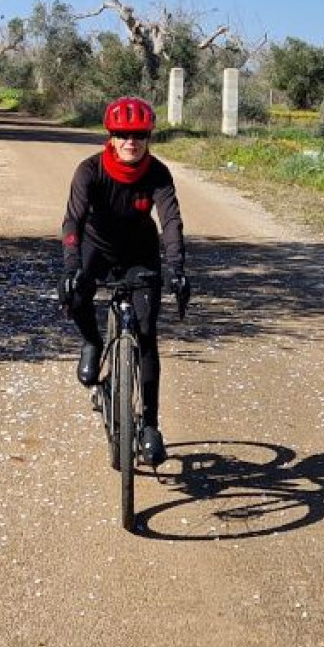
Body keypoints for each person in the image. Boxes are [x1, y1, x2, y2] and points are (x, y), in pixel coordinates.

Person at [59, 96, 189, 465]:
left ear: (148, 137)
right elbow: (73, 221)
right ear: (111, 137)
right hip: (95, 251)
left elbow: (171, 222)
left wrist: (177, 269)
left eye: (139, 134)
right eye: (122, 134)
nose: (130, 141)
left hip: (139, 255)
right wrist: (71, 267)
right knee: (76, 294)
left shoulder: (158, 173)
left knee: (146, 333)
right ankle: (91, 342)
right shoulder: (90, 170)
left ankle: (150, 424)